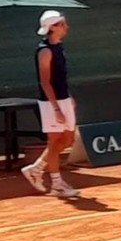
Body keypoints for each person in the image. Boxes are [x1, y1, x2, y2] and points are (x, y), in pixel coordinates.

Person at [21, 10, 81, 199]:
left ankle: (36, 168)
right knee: (55, 141)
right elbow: (45, 82)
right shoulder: (45, 51)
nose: (66, 27)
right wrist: (56, 109)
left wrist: (68, 97)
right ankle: (57, 185)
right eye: (63, 24)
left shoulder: (59, 47)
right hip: (50, 103)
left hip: (63, 100)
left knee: (68, 140)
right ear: (53, 27)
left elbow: (60, 78)